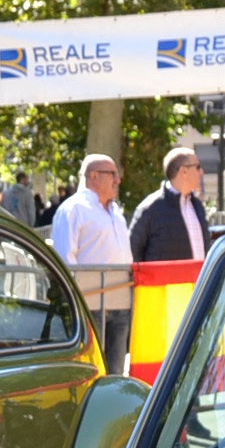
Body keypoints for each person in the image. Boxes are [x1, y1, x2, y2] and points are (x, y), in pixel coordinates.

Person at [51, 153, 132, 375]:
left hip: (119, 303)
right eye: (113, 174)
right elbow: (64, 258)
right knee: (91, 371)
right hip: (90, 305)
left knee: (115, 372)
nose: (118, 180)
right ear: (94, 175)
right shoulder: (73, 209)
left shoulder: (116, 212)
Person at [128, 146, 209, 263]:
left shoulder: (197, 206)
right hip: (163, 281)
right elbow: (133, 253)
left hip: (199, 281)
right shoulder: (150, 208)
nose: (202, 172)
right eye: (198, 167)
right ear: (184, 171)